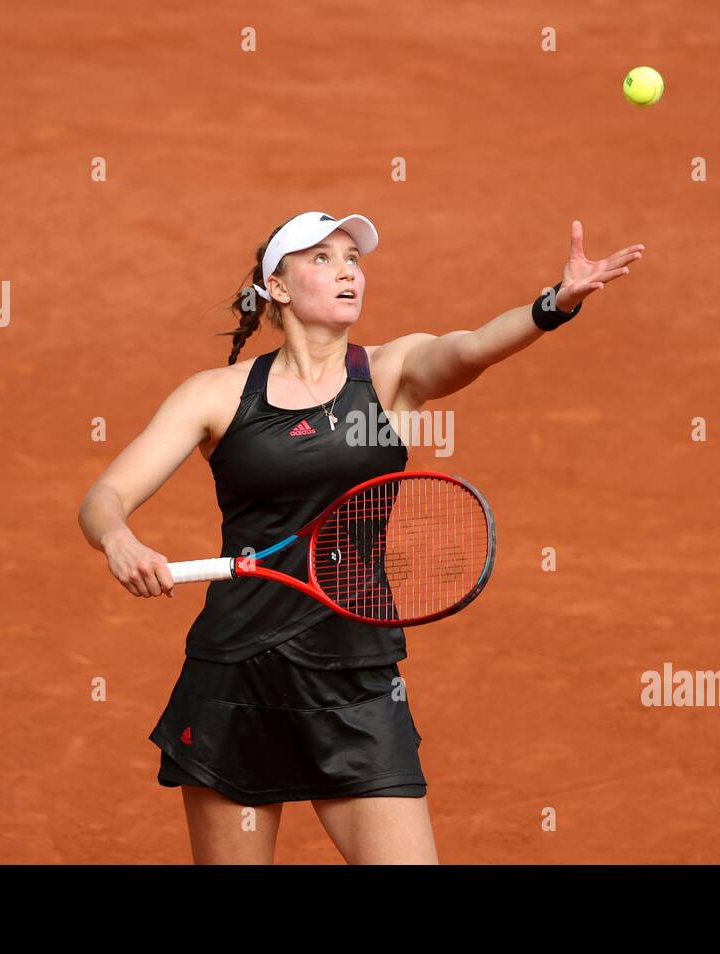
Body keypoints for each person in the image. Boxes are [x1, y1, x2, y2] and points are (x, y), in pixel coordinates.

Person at [77, 210, 645, 863]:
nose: (347, 268)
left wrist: (552, 306)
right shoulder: (216, 396)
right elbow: (105, 496)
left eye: (353, 256)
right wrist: (118, 538)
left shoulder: (389, 373)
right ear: (279, 289)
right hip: (236, 677)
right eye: (321, 258)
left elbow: (469, 347)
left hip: (354, 674)